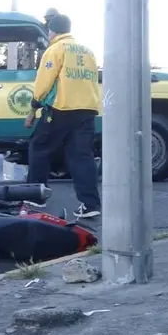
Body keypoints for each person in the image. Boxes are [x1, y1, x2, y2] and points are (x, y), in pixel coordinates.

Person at [25, 14, 102, 220]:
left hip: (61, 108)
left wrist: (34, 106)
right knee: (81, 157)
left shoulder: (55, 49)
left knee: (40, 147)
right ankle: (90, 204)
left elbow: (44, 81)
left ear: (52, 31)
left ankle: (36, 195)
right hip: (87, 109)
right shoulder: (88, 52)